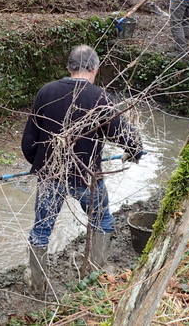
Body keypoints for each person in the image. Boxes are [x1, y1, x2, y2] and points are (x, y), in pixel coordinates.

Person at [21, 45, 144, 293]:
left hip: (50, 176)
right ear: (95, 68)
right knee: (101, 220)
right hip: (87, 177)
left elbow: (28, 141)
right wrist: (136, 149)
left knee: (42, 228)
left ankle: (37, 283)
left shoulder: (46, 92)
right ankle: (94, 271)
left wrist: (40, 164)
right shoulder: (100, 97)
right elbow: (124, 137)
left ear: (69, 67)